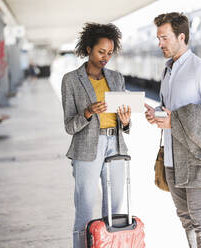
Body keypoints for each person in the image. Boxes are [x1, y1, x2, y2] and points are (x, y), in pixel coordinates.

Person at [145, 12, 201, 248]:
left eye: (164, 37)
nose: (160, 43)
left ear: (181, 36)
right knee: (185, 218)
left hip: (195, 156)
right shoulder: (168, 70)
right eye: (158, 38)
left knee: (200, 219)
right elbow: (170, 108)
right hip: (171, 156)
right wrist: (157, 113)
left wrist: (175, 120)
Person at [61, 23, 131, 248]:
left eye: (110, 53)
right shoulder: (71, 80)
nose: (106, 57)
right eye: (101, 52)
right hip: (87, 148)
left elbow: (124, 121)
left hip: (116, 146)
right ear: (88, 48)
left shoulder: (117, 78)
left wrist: (127, 121)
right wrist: (88, 112)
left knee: (116, 211)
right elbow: (70, 126)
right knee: (85, 210)